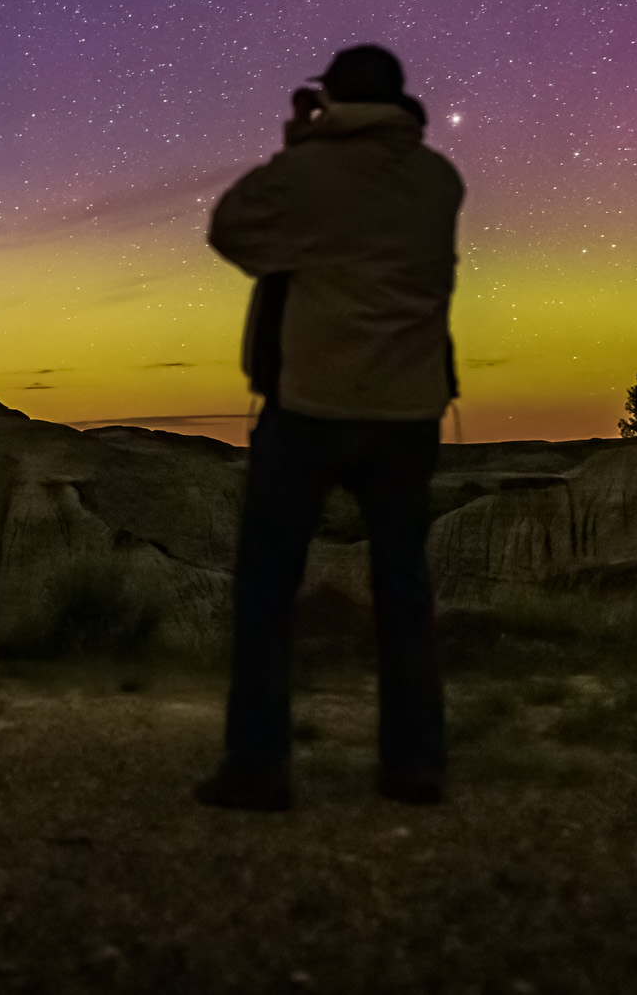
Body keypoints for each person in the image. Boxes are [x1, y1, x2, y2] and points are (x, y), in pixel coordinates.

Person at [195, 43, 464, 811]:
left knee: (267, 587)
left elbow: (234, 230)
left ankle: (257, 767)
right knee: (404, 589)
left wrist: (301, 141)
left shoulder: (306, 175)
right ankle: (415, 765)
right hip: (409, 410)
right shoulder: (440, 180)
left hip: (310, 408)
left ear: (331, 99)